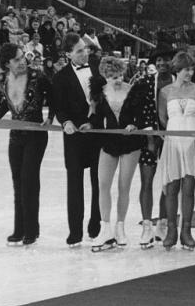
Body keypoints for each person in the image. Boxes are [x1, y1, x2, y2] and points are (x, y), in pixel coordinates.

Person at [0, 43, 53, 246]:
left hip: (35, 135)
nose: (22, 62)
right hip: (16, 136)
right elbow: (6, 101)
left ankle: (31, 230)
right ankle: (19, 229)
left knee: (29, 181)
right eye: (17, 60)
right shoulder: (3, 78)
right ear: (6, 64)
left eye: (22, 58)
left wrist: (51, 118)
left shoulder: (38, 76)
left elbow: (53, 97)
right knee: (17, 182)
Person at [87, 57, 149, 252]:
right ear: (105, 76)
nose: (118, 79)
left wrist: (135, 125)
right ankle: (106, 228)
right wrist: (89, 124)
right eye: (113, 76)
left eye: (120, 75)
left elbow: (142, 116)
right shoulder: (99, 93)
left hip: (131, 142)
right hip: (109, 141)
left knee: (124, 185)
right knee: (103, 184)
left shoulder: (133, 90)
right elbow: (96, 118)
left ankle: (120, 226)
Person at [52, 33, 102, 247]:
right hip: (73, 137)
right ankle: (75, 230)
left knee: (98, 181)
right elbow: (58, 106)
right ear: (68, 54)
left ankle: (96, 224)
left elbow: (106, 101)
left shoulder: (99, 68)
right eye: (80, 50)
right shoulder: (60, 77)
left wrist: (94, 122)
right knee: (75, 184)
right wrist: (66, 122)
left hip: (96, 133)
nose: (85, 53)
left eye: (86, 48)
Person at [156, 51, 195, 251]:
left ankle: (186, 230)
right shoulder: (165, 92)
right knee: (171, 188)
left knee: (188, 189)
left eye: (192, 69)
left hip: (192, 143)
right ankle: (171, 230)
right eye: (187, 69)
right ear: (177, 70)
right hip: (173, 143)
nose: (190, 72)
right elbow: (162, 117)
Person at [131, 44, 175, 248]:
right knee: (146, 181)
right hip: (150, 139)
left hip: (173, 140)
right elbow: (137, 109)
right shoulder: (145, 83)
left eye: (166, 59)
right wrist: (148, 135)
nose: (162, 63)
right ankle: (147, 225)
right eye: (158, 60)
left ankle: (163, 223)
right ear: (154, 63)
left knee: (168, 183)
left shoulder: (179, 83)